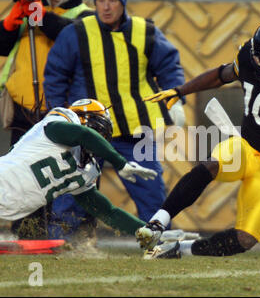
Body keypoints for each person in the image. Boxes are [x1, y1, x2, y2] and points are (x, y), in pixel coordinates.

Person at [136, 21, 260, 259]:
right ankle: (156, 224)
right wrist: (180, 90)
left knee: (246, 239)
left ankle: (178, 250)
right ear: (255, 53)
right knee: (210, 165)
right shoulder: (247, 58)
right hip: (244, 147)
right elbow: (220, 75)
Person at [43, 0, 185, 240]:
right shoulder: (76, 32)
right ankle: (64, 242)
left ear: (123, 3)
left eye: (112, 1)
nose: (106, 7)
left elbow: (169, 67)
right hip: (88, 130)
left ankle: (160, 243)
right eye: (101, 1)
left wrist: (176, 99)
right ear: (95, 3)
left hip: (135, 130)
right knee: (73, 188)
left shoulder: (146, 31)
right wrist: (58, 113)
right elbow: (55, 75)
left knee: (151, 191)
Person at [0, 0, 94, 239]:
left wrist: (42, 17)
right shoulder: (29, 8)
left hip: (65, 108)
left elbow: (70, 37)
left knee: (67, 171)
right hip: (25, 107)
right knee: (23, 173)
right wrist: (10, 24)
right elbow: (2, 47)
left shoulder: (85, 15)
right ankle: (27, 234)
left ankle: (71, 234)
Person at [0, 98, 157, 239]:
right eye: (99, 130)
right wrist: (120, 163)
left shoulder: (85, 169)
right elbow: (84, 135)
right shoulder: (54, 125)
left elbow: (108, 212)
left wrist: (148, 232)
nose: (101, 137)